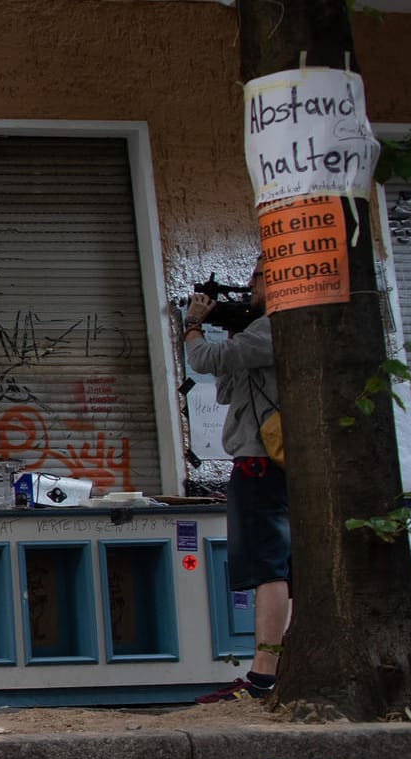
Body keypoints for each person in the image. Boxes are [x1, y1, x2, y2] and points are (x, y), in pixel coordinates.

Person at [184, 263, 290, 701]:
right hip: (260, 461)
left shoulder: (274, 327)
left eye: (259, 276)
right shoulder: (258, 332)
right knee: (272, 565)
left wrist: (193, 325)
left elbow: (203, 361)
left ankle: (264, 673)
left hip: (261, 463)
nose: (249, 286)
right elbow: (226, 388)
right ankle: (274, 667)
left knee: (269, 567)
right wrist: (232, 336)